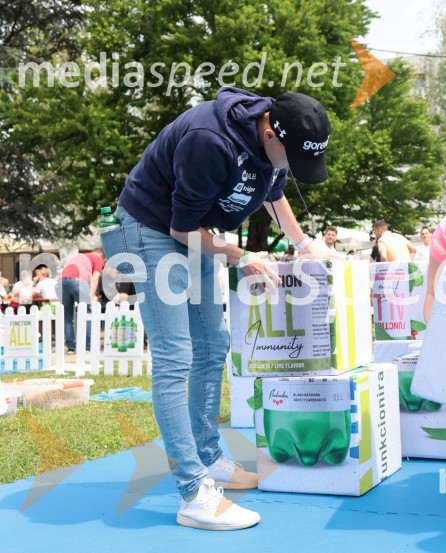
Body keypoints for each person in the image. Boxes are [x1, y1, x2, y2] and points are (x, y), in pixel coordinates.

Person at [102, 86, 335, 531]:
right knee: (175, 356)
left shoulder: (274, 145)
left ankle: (209, 458)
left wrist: (304, 246)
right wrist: (240, 256)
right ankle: (193, 492)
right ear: (269, 132)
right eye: (292, 157)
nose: (293, 168)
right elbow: (180, 227)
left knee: (213, 345)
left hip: (195, 231)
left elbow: (274, 193)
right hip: (151, 228)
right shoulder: (210, 139)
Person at [60, 250, 105, 352]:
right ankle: (89, 345)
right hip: (77, 281)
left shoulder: (79, 256)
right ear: (101, 256)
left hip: (62, 281)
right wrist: (92, 295)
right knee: (87, 313)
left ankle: (71, 346)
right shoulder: (98, 258)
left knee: (67, 316)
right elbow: (95, 278)